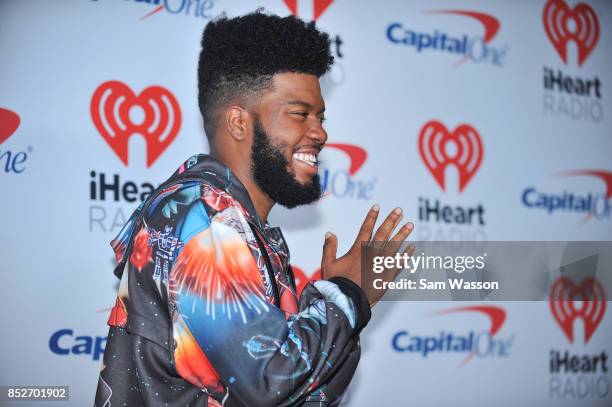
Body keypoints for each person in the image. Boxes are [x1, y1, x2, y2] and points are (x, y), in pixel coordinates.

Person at [95, 11, 413, 407]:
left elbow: (298, 392)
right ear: (238, 122)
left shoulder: (237, 224)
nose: (321, 133)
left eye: (320, 117)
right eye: (300, 114)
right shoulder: (204, 221)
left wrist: (336, 306)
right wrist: (346, 295)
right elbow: (269, 383)